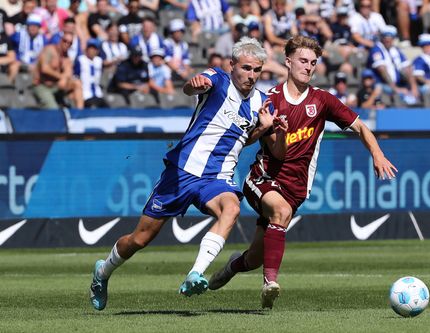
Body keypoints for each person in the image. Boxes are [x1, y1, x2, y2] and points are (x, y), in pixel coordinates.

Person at [89, 37, 288, 311]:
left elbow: (251, 140)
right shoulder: (217, 79)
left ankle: (196, 273)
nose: (251, 75)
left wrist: (266, 129)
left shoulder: (262, 103)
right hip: (182, 171)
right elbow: (191, 85)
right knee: (140, 239)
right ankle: (103, 271)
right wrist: (191, 84)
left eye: (257, 70)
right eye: (246, 68)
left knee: (231, 208)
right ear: (232, 65)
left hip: (217, 177)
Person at [208, 35, 397, 309]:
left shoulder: (322, 100)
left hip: (296, 188)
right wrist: (275, 132)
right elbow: (277, 153)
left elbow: (360, 126)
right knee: (280, 212)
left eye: (313, 63)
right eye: (303, 61)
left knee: (256, 256)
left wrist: (377, 154)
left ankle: (232, 267)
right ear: (288, 62)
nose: (308, 67)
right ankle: (269, 283)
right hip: (263, 178)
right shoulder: (270, 99)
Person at [32, 31, 84, 109]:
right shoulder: (49, 50)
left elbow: (68, 73)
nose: (67, 44)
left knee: (77, 83)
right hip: (42, 85)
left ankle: (80, 114)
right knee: (54, 109)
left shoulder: (67, 58)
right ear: (60, 40)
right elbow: (44, 68)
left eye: (70, 43)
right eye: (65, 41)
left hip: (56, 85)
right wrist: (61, 77)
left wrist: (64, 78)